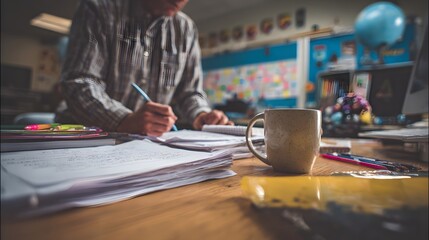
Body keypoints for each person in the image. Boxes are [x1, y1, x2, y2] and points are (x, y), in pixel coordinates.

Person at [56, 0, 232, 136]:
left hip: (145, 142)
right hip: (85, 134)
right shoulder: (99, 8)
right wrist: (123, 119)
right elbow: (79, 81)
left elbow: (189, 92)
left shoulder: (185, 29)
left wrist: (201, 115)